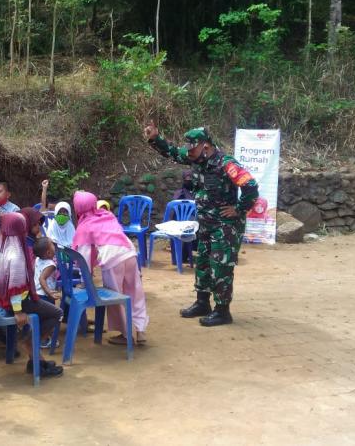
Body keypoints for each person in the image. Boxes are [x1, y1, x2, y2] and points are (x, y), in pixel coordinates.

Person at [144, 122, 259, 326]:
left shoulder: (226, 164)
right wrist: (155, 138)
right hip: (205, 223)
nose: (188, 153)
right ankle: (202, 303)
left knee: (220, 267)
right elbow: (172, 152)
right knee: (203, 263)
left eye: (192, 148)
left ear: (205, 146)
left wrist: (239, 209)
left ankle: (222, 311)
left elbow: (250, 185)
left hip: (226, 226)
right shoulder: (196, 159)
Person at [73, 191, 149, 345]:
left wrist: (84, 279)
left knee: (116, 297)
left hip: (112, 260)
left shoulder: (85, 225)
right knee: (135, 292)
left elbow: (84, 256)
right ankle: (141, 330)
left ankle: (126, 335)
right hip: (129, 253)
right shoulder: (107, 215)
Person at [0, 213, 63, 378]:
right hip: (18, 302)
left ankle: (36, 360)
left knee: (46, 315)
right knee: (57, 313)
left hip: (4, 300)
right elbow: (15, 287)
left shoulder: (2, 247)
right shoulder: (16, 254)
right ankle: (32, 347)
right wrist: (18, 312)